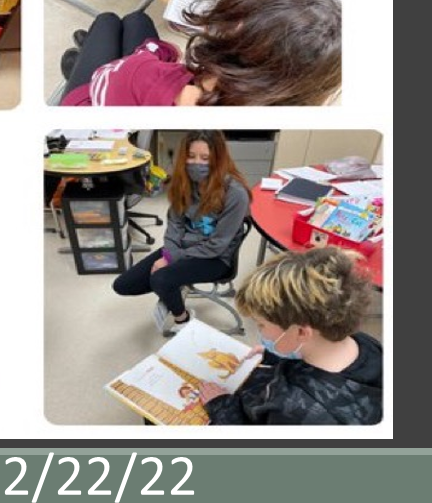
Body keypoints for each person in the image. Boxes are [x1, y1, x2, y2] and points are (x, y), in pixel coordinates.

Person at [58, 0, 341, 106]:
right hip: (137, 82)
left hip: (97, 94)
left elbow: (108, 77)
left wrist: (157, 53)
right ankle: (86, 51)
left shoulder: (147, 74)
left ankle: (82, 58)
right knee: (136, 21)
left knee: (109, 20)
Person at [199, 246, 382, 425]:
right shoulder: (365, 344)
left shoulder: (296, 411)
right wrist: (273, 354)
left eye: (261, 324)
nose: (260, 331)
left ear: (301, 332)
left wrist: (221, 406)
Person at [111, 130, 250, 335]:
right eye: (191, 156)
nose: (197, 163)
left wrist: (171, 261)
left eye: (205, 158)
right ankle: (175, 284)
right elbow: (174, 226)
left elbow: (217, 245)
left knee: (161, 279)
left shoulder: (235, 194)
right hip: (182, 249)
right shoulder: (183, 183)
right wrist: (169, 255)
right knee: (123, 285)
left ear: (218, 159)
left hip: (216, 258)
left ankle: (183, 319)